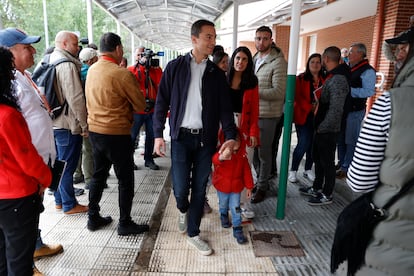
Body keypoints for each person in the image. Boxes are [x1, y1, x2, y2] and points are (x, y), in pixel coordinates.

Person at [153, 19, 237, 256]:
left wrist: (230, 135)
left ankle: (193, 233)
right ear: (194, 39)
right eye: (208, 36)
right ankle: (183, 209)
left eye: (214, 36)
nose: (213, 41)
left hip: (205, 141)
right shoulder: (175, 67)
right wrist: (158, 134)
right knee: (180, 190)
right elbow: (161, 102)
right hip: (180, 138)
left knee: (199, 188)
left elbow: (224, 109)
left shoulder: (216, 74)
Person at [346, 27, 414, 275]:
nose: (397, 55)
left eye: (401, 49)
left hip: (395, 239)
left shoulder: (389, 103)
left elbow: (359, 179)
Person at [0, 27, 64, 274]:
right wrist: (43, 177)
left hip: (26, 174)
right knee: (17, 254)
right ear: (8, 53)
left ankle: (34, 248)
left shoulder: (24, 76)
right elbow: (21, 150)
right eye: (26, 47)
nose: (33, 51)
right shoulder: (9, 100)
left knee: (15, 247)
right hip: (22, 179)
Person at [85, 32, 148, 236]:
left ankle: (93, 217)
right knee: (125, 179)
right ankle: (125, 222)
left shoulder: (91, 69)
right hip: (117, 133)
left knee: (99, 174)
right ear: (118, 49)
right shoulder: (121, 73)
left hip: (95, 131)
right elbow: (140, 104)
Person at [299, 46, 349, 205]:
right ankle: (317, 187)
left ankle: (327, 194)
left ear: (326, 59)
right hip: (321, 127)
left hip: (328, 129)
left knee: (327, 162)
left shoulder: (339, 79)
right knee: (318, 158)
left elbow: (336, 109)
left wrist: (324, 127)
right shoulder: (332, 76)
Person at [50, 31, 89, 214]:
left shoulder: (51, 59)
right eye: (74, 44)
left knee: (58, 164)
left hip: (55, 122)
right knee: (68, 166)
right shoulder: (66, 65)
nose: (78, 48)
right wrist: (84, 124)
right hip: (67, 124)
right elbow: (76, 98)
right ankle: (69, 204)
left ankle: (59, 200)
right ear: (64, 44)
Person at [251, 25, 287, 204]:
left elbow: (279, 92)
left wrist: (253, 92)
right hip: (253, 114)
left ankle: (262, 187)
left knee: (264, 153)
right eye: (258, 38)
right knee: (254, 153)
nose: (261, 41)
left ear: (271, 40)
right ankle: (259, 180)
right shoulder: (254, 57)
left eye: (265, 38)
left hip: (268, 115)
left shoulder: (278, 61)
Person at [227, 46, 259, 219]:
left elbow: (254, 110)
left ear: (249, 62)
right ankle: (227, 201)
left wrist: (253, 132)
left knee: (245, 166)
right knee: (226, 165)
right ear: (233, 60)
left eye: (245, 59)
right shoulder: (224, 78)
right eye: (238, 58)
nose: (240, 62)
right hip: (224, 126)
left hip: (245, 127)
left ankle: (244, 204)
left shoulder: (252, 82)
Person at [336, 43, 376, 179]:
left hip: (355, 111)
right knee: (340, 139)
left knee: (350, 140)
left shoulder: (367, 71)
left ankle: (347, 167)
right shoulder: (349, 68)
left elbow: (369, 91)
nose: (349, 54)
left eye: (352, 52)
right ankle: (341, 163)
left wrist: (349, 91)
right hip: (343, 110)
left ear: (360, 54)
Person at [288, 53, 325, 183]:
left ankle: (308, 169)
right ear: (308, 64)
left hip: (319, 117)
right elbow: (296, 97)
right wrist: (310, 107)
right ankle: (293, 170)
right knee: (303, 143)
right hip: (304, 116)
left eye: (318, 62)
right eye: (312, 62)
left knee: (313, 145)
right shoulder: (301, 78)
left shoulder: (324, 79)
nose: (315, 65)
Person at [212, 130, 253, 244]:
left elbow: (247, 172)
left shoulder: (242, 156)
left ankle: (237, 227)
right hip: (222, 187)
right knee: (223, 203)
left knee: (236, 207)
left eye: (237, 141)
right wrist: (221, 157)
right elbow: (214, 160)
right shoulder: (220, 154)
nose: (234, 145)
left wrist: (249, 187)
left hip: (236, 189)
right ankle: (223, 214)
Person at [128, 46, 162, 171]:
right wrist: (140, 66)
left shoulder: (156, 70)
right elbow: (131, 84)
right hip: (136, 110)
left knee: (152, 135)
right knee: (132, 137)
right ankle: (129, 161)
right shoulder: (131, 70)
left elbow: (161, 85)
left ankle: (149, 159)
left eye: (144, 55)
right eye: (139, 55)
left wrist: (154, 69)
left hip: (152, 110)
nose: (141, 58)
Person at [77, 47, 99, 190]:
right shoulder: (92, 72)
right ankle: (90, 179)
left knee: (78, 149)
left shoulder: (77, 71)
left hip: (76, 114)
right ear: (92, 60)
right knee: (88, 149)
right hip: (88, 114)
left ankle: (77, 174)